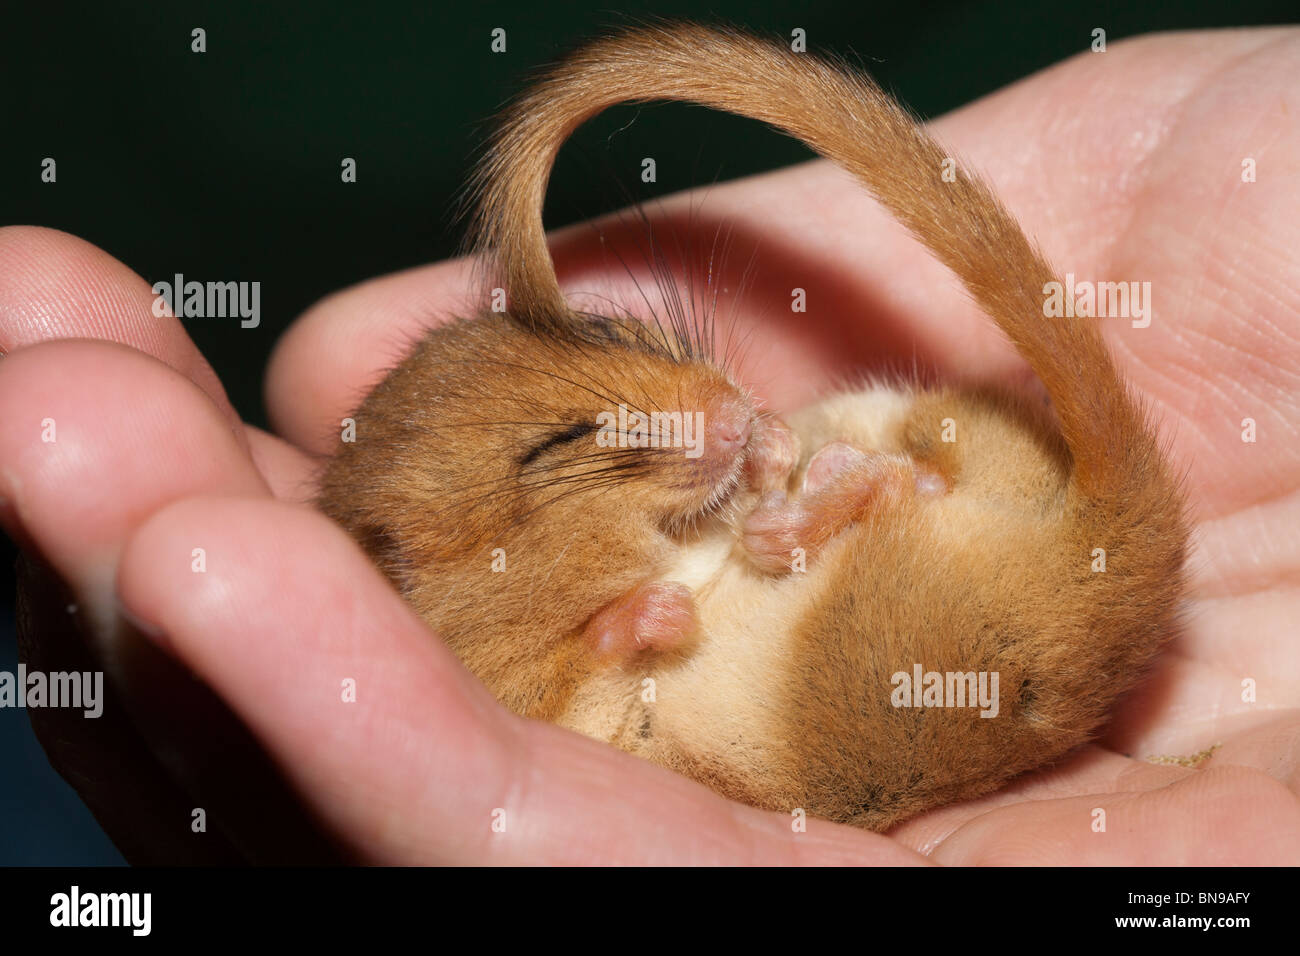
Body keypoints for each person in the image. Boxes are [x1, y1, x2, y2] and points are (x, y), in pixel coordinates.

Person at [2, 28, 1297, 864]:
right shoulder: (482, 622)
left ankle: (894, 495)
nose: (714, 407)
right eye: (581, 435)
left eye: (648, 349)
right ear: (429, 559)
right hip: (934, 602)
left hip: (957, 571)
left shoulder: (583, 596)